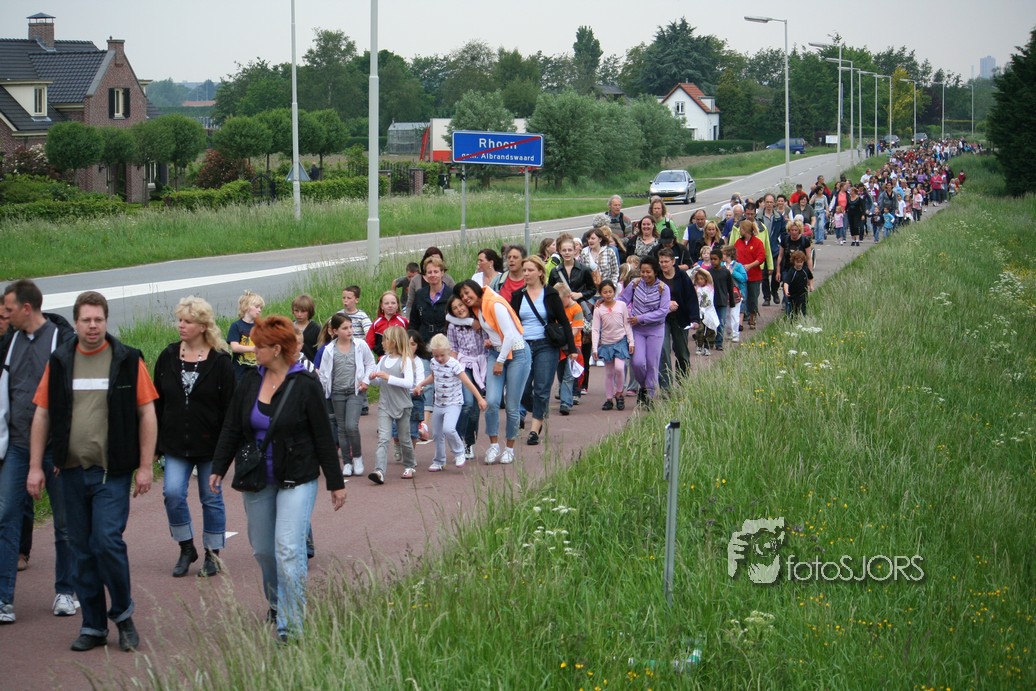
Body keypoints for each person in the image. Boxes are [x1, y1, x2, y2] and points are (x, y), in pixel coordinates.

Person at [28, 291, 158, 652]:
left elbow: (147, 412)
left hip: (110, 473)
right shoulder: (60, 361)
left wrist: (145, 466)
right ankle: (93, 626)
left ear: (106, 321)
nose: (92, 326)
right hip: (69, 472)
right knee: (81, 549)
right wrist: (35, 466)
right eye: (86, 320)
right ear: (76, 322)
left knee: (106, 541)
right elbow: (42, 414)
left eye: (98, 319)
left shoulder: (127, 359)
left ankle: (124, 616)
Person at [210, 315, 345, 642]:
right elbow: (232, 426)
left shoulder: (306, 384)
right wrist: (218, 466)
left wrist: (335, 482)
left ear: (277, 349)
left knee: (288, 549)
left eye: (260, 346)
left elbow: (323, 435)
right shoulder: (249, 382)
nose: (254, 350)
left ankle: (290, 626)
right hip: (258, 478)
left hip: (297, 477)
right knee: (263, 550)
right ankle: (276, 601)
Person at [0, 280, 77, 624]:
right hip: (16, 446)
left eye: (9, 309)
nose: (5, 315)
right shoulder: (10, 342)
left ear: (26, 308)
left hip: (54, 449)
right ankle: (4, 598)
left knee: (64, 521)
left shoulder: (61, 341)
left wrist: (65, 448)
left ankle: (66, 591)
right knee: (6, 517)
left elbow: (72, 398)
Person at [153, 296, 235, 579]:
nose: (181, 326)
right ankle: (186, 547)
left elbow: (231, 408)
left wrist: (228, 447)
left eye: (187, 321)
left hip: (211, 446)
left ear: (202, 326)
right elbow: (157, 401)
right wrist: (154, 444)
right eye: (179, 320)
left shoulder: (220, 361)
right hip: (175, 443)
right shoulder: (168, 356)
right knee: (172, 493)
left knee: (210, 498)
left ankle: (213, 554)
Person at [454, 281, 530, 466]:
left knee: (512, 406)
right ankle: (493, 445)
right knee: (492, 401)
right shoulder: (478, 307)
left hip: (516, 354)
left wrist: (500, 361)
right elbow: (452, 316)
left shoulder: (494, 303)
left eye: (467, 293)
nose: (465, 298)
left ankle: (509, 449)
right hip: (496, 352)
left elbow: (510, 335)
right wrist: (490, 341)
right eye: (462, 296)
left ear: (476, 289)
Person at [511, 256, 576, 447]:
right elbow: (511, 322)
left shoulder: (550, 294)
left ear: (540, 272)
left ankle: (534, 429)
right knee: (522, 389)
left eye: (530, 270)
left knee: (541, 388)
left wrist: (572, 348)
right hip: (523, 346)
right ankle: (540, 409)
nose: (526, 274)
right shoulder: (518, 295)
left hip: (546, 345)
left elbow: (564, 321)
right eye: (524, 270)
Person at [414, 334, 487, 471]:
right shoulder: (433, 363)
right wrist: (421, 384)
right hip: (439, 403)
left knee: (448, 429)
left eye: (442, 355)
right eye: (436, 355)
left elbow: (467, 382)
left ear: (448, 351)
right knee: (437, 434)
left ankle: (459, 452)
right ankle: (439, 461)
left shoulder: (454, 364)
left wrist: (480, 398)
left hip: (453, 403)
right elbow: (433, 376)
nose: (439, 359)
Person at [317, 313, 375, 479]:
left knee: (351, 426)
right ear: (335, 331)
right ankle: (347, 463)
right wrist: (324, 391)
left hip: (355, 392)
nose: (349, 331)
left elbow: (370, 363)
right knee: (341, 429)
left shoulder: (360, 345)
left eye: (350, 327)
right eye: (345, 328)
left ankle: (357, 457)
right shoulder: (329, 350)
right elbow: (324, 374)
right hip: (337, 393)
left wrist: (366, 381)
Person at [367, 326, 417, 482]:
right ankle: (379, 471)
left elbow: (409, 383)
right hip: (385, 405)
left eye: (385, 339)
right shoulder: (383, 360)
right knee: (383, 438)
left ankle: (410, 465)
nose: (382, 343)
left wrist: (388, 377)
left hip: (402, 405)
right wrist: (372, 378)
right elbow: (378, 382)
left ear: (394, 342)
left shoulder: (405, 360)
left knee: (404, 438)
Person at [618, 256, 671, 406]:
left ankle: (650, 396)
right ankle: (643, 387)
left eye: (648, 272)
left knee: (652, 363)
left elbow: (663, 311)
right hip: (637, 330)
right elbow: (623, 300)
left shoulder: (663, 288)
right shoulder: (635, 284)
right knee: (638, 363)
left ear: (655, 272)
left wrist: (640, 318)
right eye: (642, 272)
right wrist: (607, 302)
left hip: (656, 330)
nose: (645, 275)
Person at [549, 236, 595, 397]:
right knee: (562, 351)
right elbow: (550, 291)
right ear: (559, 251)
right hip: (561, 311)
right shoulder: (555, 271)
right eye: (564, 250)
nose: (567, 253)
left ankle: (579, 386)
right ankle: (564, 386)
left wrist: (579, 294)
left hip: (580, 309)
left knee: (581, 348)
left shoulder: (584, 269)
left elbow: (592, 289)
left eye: (570, 250)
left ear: (575, 250)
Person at [445, 294, 486, 460]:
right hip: (464, 365)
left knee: (475, 410)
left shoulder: (479, 320)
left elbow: (488, 338)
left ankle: (470, 443)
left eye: (461, 305)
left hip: (481, 365)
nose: (459, 309)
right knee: (467, 403)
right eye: (455, 308)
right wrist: (453, 368)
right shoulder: (453, 326)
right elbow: (453, 348)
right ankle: (458, 440)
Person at [656, 248, 697, 391]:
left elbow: (691, 297)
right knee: (663, 351)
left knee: (682, 352)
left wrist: (695, 318)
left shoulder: (682, 276)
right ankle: (666, 388)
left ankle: (682, 384)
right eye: (661, 262)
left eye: (666, 261)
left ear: (673, 262)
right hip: (662, 319)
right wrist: (666, 304)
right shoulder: (656, 276)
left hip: (680, 318)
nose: (663, 264)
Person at [591, 280, 634, 411]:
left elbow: (627, 324)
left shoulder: (621, 305)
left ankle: (619, 394)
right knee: (609, 372)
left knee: (620, 368)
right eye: (605, 292)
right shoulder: (598, 309)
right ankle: (609, 398)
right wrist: (595, 348)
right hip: (606, 343)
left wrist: (631, 341)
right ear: (600, 293)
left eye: (610, 291)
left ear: (614, 292)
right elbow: (595, 329)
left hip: (620, 341)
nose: (608, 294)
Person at [554, 283, 584, 416]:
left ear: (568, 296)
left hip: (573, 346)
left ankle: (565, 403)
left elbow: (576, 330)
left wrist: (563, 338)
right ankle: (565, 395)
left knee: (568, 375)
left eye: (561, 302)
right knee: (561, 374)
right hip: (559, 346)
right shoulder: (557, 308)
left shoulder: (576, 309)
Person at [404, 247, 455, 317]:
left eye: (438, 259)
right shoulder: (416, 280)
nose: (434, 261)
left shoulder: (448, 279)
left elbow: (456, 298)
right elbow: (410, 304)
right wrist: (408, 320)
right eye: (430, 272)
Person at [734, 220, 766, 330]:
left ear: (745, 230)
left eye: (741, 229)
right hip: (741, 276)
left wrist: (750, 265)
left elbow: (761, 257)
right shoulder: (738, 242)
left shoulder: (757, 242)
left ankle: (752, 316)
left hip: (754, 275)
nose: (740, 231)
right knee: (742, 297)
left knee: (753, 298)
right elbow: (734, 255)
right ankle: (740, 320)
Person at [228, 290, 264, 380]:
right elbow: (234, 347)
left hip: (257, 372)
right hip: (240, 373)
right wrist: (253, 349)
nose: (259, 310)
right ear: (246, 307)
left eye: (261, 308)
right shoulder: (236, 326)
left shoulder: (260, 326)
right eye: (257, 307)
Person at [706, 249, 736, 352]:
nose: (713, 261)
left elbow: (730, 287)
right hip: (711, 302)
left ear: (720, 259)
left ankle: (719, 343)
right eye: (711, 259)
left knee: (721, 322)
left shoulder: (725, 272)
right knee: (711, 322)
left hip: (722, 301)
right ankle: (710, 341)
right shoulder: (708, 272)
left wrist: (732, 301)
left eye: (715, 259)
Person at [365, 291, 408, 359]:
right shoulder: (376, 323)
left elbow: (409, 340)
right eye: (386, 303)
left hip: (400, 358)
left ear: (397, 305)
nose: (390, 305)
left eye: (393, 303)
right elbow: (368, 343)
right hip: (382, 358)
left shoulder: (403, 321)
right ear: (382, 306)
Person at [691, 269, 719, 356]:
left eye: (702, 279)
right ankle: (699, 346)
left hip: (709, 312)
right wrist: (694, 273)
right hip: (700, 312)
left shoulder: (710, 287)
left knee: (710, 331)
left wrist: (699, 268)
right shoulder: (697, 288)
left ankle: (707, 347)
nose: (700, 281)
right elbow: (691, 280)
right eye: (698, 279)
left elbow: (709, 275)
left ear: (705, 279)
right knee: (700, 330)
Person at [722, 246, 747, 344]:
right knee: (727, 314)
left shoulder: (738, 266)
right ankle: (729, 333)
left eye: (723, 254)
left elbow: (744, 278)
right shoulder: (721, 265)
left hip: (736, 293)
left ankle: (736, 334)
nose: (722, 256)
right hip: (724, 292)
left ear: (728, 255)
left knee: (734, 314)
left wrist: (732, 272)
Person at [782, 251, 814, 317]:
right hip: (793, 295)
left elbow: (810, 277)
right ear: (794, 261)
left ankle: (803, 320)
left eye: (801, 262)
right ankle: (793, 320)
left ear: (803, 261)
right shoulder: (791, 271)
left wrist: (811, 286)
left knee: (803, 310)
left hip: (803, 294)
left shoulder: (805, 269)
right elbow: (786, 283)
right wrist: (786, 291)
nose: (799, 264)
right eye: (797, 262)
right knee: (794, 312)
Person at [291, 295, 321, 362]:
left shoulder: (316, 329)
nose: (299, 314)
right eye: (296, 311)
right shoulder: (288, 326)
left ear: (310, 311)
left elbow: (320, 350)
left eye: (303, 311)